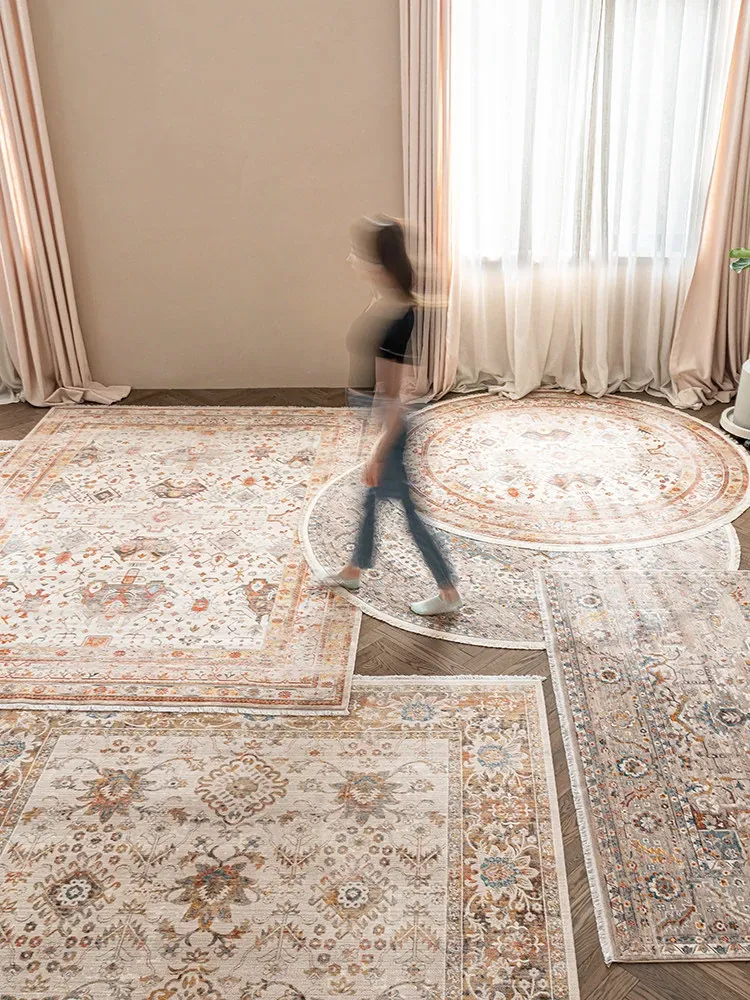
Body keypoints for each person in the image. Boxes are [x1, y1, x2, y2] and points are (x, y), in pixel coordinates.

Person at [324, 215, 462, 615]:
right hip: (388, 421)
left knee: (411, 516)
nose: (351, 259)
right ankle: (353, 569)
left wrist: (378, 453)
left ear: (380, 264)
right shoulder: (388, 300)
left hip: (394, 429)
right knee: (371, 501)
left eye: (358, 254)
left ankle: (449, 593)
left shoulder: (395, 318)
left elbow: (394, 400)